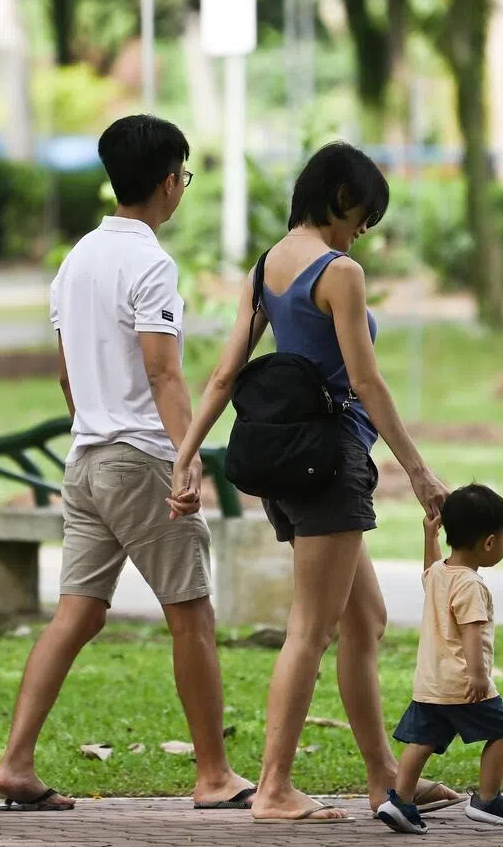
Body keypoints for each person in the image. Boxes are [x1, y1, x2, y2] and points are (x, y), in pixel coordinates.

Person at [172, 141, 459, 823]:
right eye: (364, 211)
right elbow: (366, 381)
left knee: (366, 620)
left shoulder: (266, 267)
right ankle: (273, 788)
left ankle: (388, 781)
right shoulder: (341, 273)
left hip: (287, 464)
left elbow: (222, 375)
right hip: (331, 465)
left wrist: (186, 455)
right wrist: (418, 471)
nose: (365, 227)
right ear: (337, 195)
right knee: (311, 629)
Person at [0, 115, 254, 813]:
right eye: (185, 178)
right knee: (191, 612)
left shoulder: (75, 261)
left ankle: (16, 762)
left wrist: (93, 426)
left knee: (76, 614)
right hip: (139, 457)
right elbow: (164, 373)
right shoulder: (151, 263)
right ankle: (213, 775)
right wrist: (186, 456)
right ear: (169, 181)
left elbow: (66, 377)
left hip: (86, 459)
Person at [378, 485, 503, 834]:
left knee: (424, 742)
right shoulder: (470, 585)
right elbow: (472, 632)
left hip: (431, 682)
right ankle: (488, 801)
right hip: (463, 680)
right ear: (490, 543)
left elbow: (429, 566)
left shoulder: (438, 575)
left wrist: (429, 538)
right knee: (502, 730)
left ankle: (400, 800)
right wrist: (479, 676)